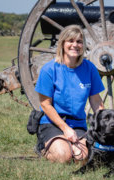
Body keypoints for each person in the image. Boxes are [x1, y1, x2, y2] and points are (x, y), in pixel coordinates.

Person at [35, 25, 105, 163]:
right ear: (62, 44)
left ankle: (70, 146)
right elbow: (45, 104)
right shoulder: (49, 69)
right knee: (63, 156)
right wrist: (65, 129)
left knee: (82, 156)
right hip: (52, 123)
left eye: (79, 42)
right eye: (70, 41)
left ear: (83, 45)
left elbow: (96, 102)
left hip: (77, 124)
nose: (75, 45)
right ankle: (42, 147)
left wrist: (103, 125)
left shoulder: (89, 68)